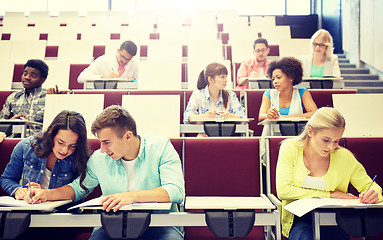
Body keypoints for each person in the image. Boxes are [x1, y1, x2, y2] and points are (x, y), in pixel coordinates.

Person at [32, 105, 185, 240]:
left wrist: (129, 197)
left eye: (106, 142)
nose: (103, 150)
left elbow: (176, 191)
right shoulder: (99, 158)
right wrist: (47, 194)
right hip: (112, 227)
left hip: (159, 225)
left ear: (127, 136)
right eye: (100, 143)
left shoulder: (161, 147)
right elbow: (79, 188)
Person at [276, 107, 383, 240]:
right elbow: (284, 191)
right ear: (310, 131)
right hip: (299, 220)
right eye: (326, 140)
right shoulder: (290, 148)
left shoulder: (344, 157)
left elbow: (371, 186)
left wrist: (373, 194)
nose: (331, 147)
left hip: (336, 220)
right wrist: (330, 195)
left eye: (336, 141)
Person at [0, 110, 89, 201]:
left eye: (73, 145)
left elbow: (80, 192)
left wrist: (47, 194)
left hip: (62, 212)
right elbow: (7, 179)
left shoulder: (79, 155)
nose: (65, 150)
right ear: (51, 135)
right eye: (60, 142)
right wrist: (19, 190)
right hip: (29, 210)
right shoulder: (26, 146)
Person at [0, 59, 51, 137]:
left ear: (42, 80)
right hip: (15, 142)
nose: (27, 77)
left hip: (40, 143)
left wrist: (53, 102)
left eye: (33, 75)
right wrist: (11, 122)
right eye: (25, 74)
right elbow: (1, 126)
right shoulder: (13, 97)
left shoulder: (49, 97)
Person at [258, 57, 317, 122]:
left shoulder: (303, 93)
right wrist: (268, 115)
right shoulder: (268, 94)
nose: (275, 81)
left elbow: (314, 114)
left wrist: (284, 117)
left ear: (291, 77)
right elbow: (261, 116)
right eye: (273, 79)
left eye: (278, 77)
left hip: (296, 131)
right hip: (272, 131)